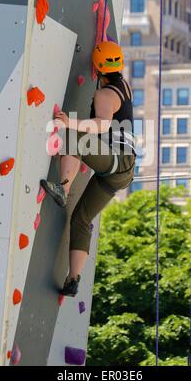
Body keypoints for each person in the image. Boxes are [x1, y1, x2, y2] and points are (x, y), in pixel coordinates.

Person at [41, 41, 136, 297]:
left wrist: (69, 121)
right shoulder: (123, 86)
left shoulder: (104, 94)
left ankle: (63, 188)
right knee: (81, 220)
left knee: (74, 136)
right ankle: (73, 278)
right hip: (121, 171)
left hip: (117, 160)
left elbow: (103, 125)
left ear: (96, 67)